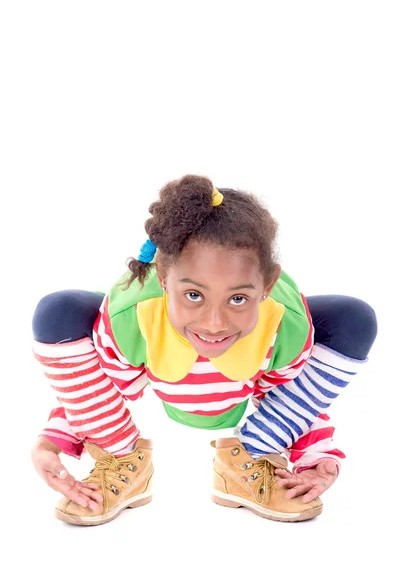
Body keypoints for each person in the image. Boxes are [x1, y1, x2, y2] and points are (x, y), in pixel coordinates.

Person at [31, 174, 377, 525]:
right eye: (194, 295)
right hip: (146, 346)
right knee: (58, 311)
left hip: (254, 370)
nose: (214, 323)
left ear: (267, 286)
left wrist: (316, 455)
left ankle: (253, 454)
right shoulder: (130, 320)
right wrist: (55, 440)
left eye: (238, 298)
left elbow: (292, 399)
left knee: (354, 318)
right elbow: (95, 391)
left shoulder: (286, 326)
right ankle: (121, 460)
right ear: (163, 278)